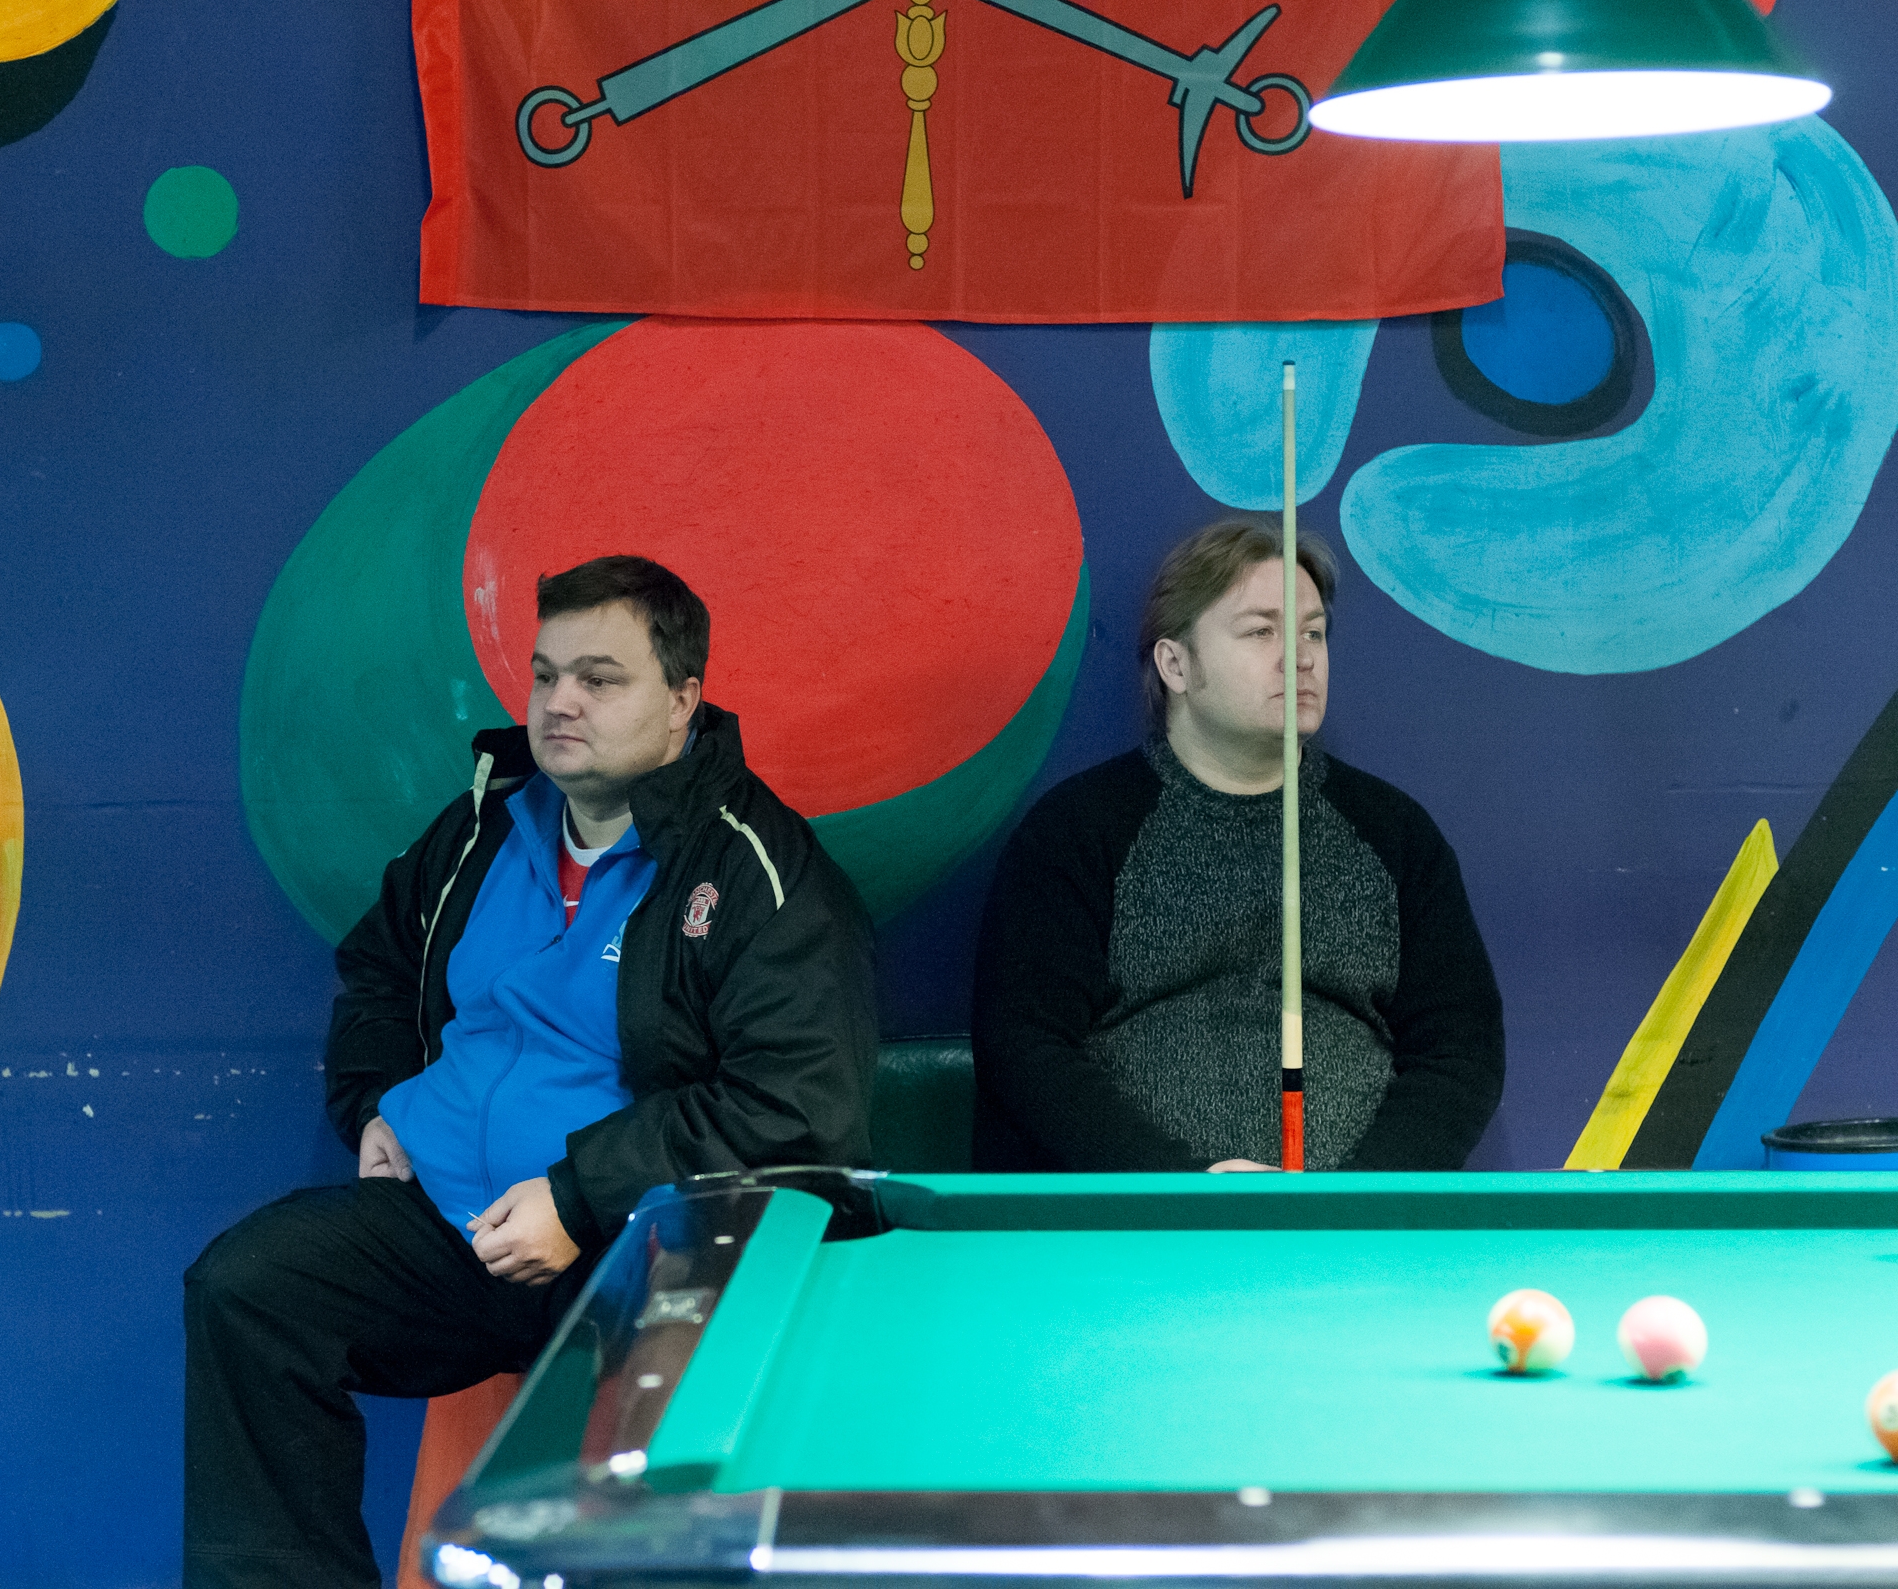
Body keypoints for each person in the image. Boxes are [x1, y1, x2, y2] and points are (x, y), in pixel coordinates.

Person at [183, 555, 877, 1589]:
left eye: (600, 679)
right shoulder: (481, 825)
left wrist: (576, 1196)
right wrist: (374, 1103)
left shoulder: (754, 866)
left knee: (656, 1434)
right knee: (249, 1290)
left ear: (682, 699)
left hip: (637, 1249)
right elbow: (378, 969)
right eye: (546, 674)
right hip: (450, 1226)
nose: (560, 703)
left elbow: (798, 1107)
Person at [972, 518, 1502, 1173]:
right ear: (1175, 664)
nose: (1300, 657)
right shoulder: (1076, 832)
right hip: (1143, 1222)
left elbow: (1460, 1054)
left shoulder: (1396, 835)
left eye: (1313, 633)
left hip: (1356, 1224)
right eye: (1260, 632)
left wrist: (1352, 1201)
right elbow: (1027, 1050)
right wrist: (1182, 1190)